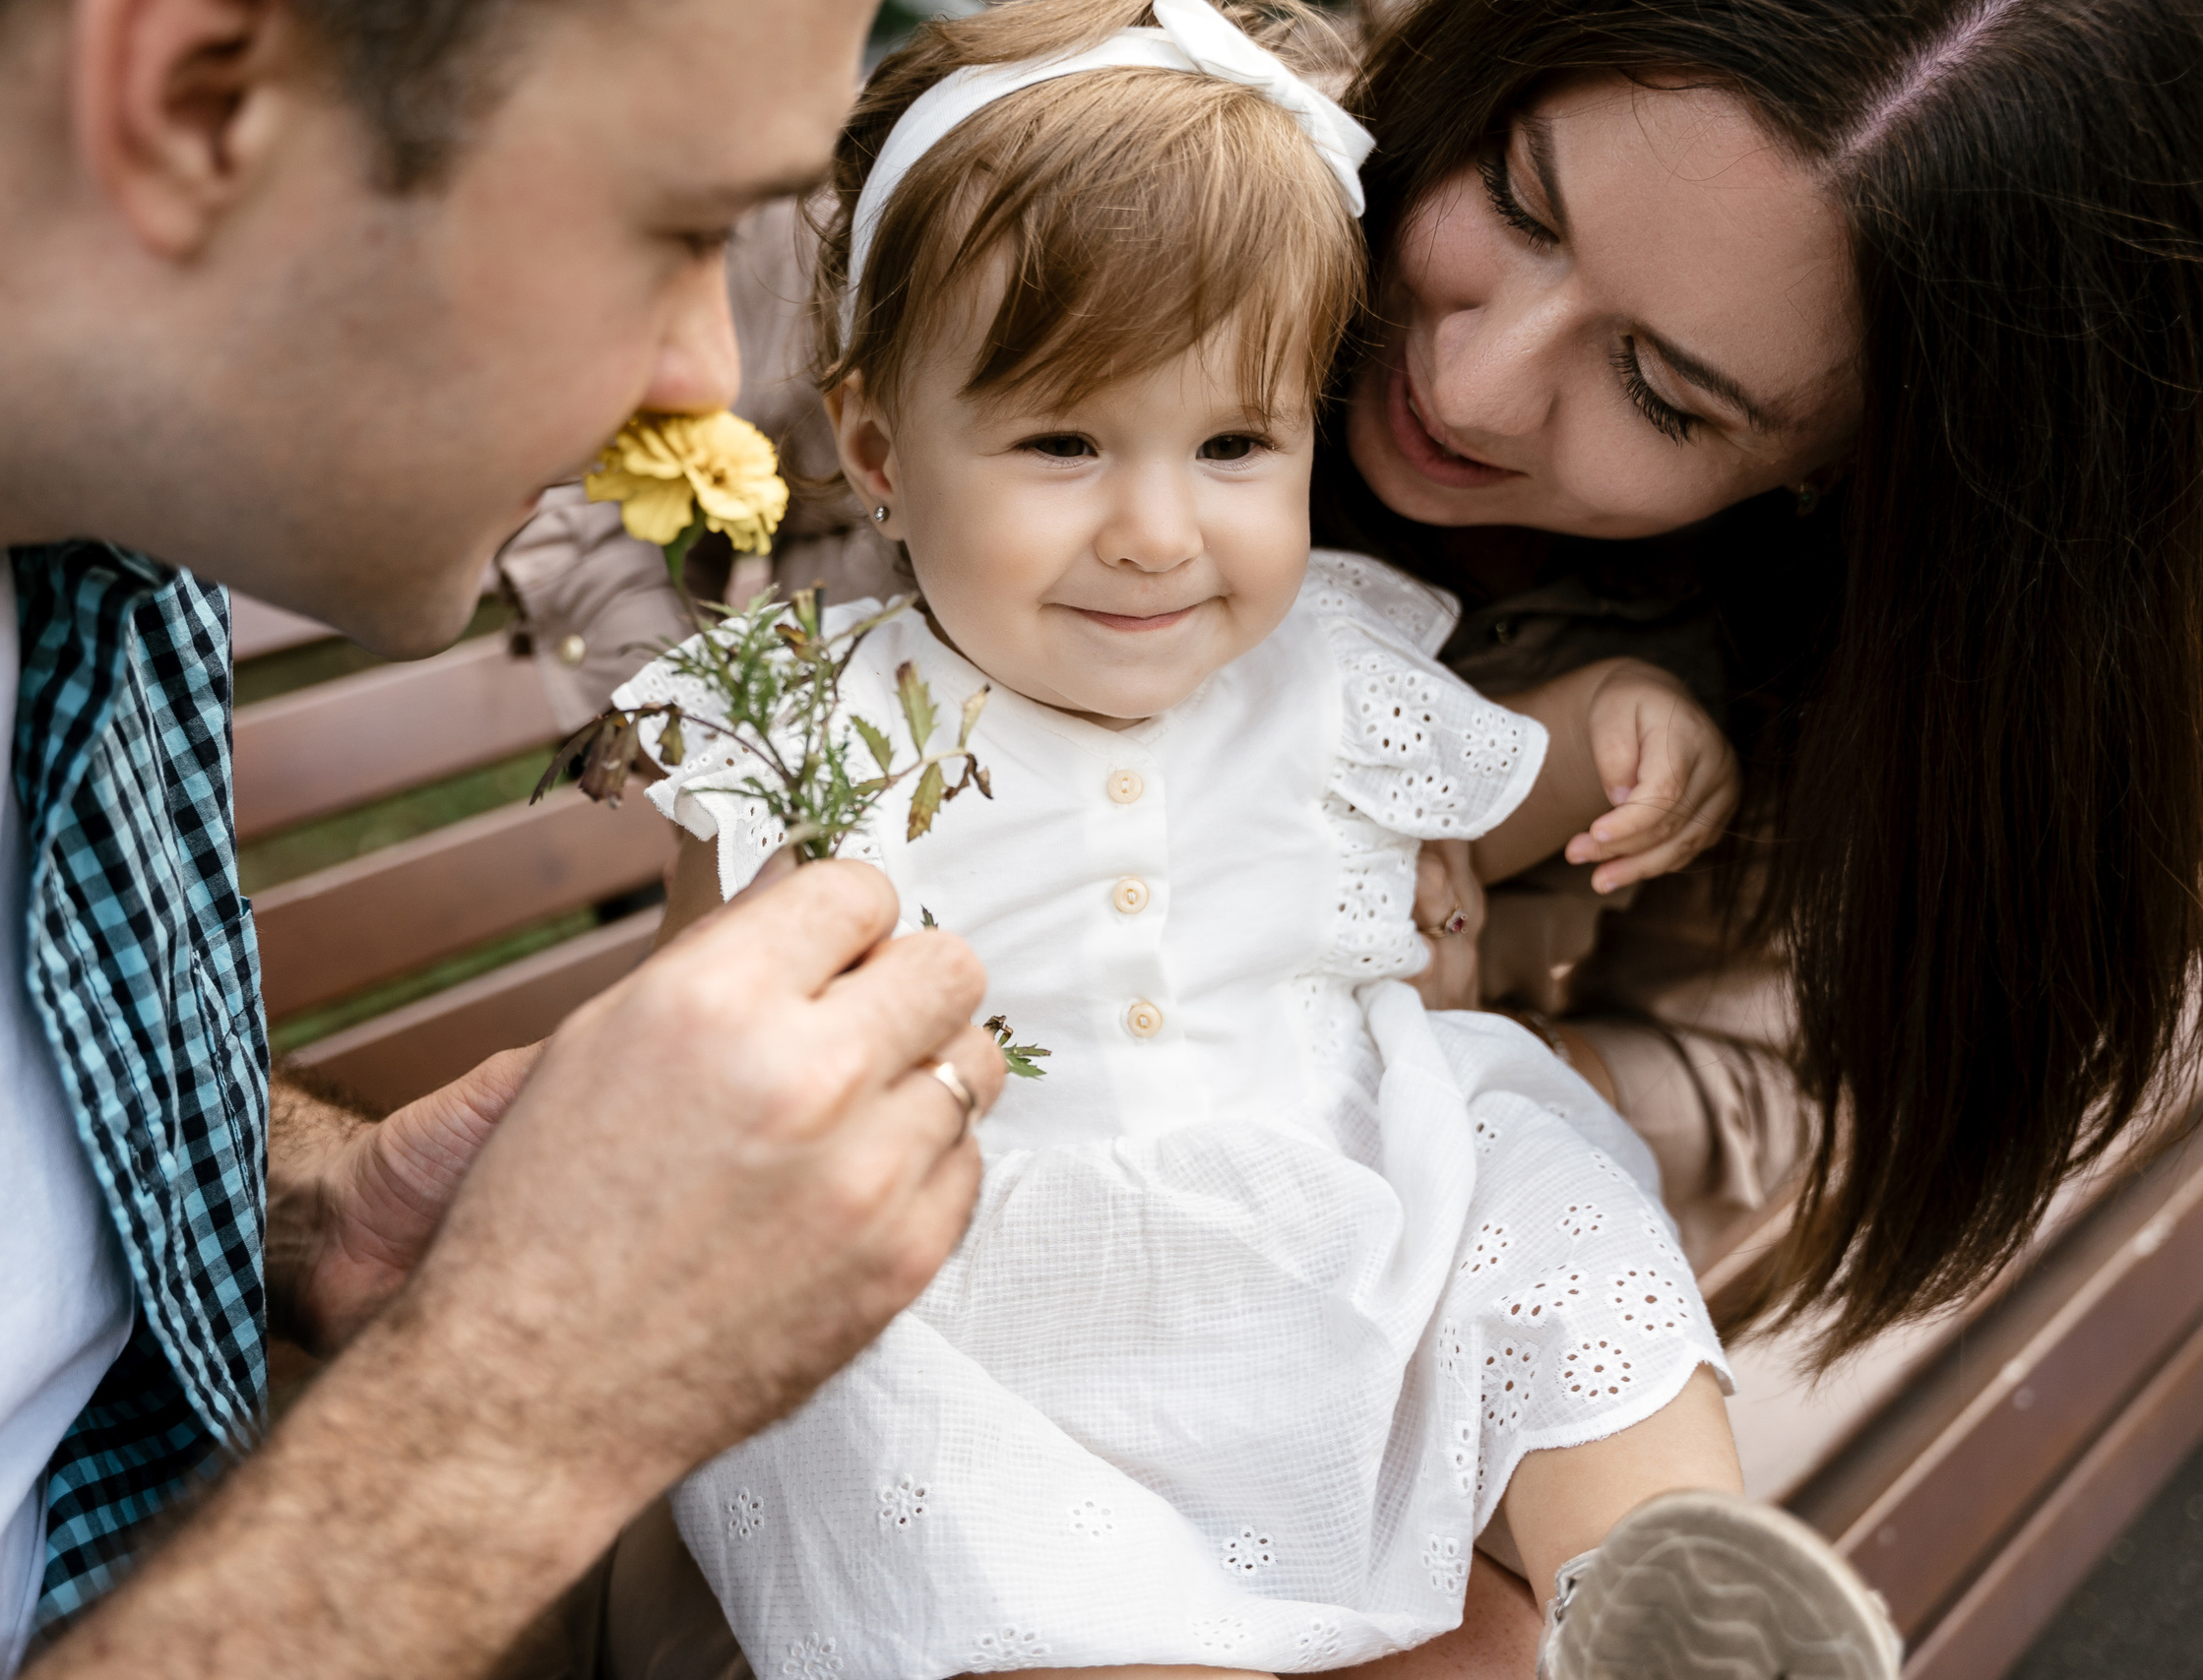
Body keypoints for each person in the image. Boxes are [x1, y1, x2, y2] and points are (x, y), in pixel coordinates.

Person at [0, 1, 1015, 1677]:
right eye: (682, 232)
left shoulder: (78, 514)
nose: (698, 379)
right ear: (201, 104)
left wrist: (322, 1212)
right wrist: (516, 1403)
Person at [610, 4, 1902, 1676]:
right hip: (977, 1282)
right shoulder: (806, 722)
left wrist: (1619, 736)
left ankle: (1650, 1576)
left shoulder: (1330, 670)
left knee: (1538, 1197)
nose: (1157, 532)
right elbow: (701, 1043)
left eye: (1234, 445)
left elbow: (1507, 796)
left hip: (1330, 1215)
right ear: (875, 451)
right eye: (1065, 443)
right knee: (897, 1441)